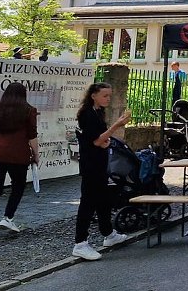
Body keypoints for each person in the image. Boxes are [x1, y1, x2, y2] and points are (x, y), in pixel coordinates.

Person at [72, 83, 131, 260]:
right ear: (93, 95)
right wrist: (116, 125)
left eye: (109, 96)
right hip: (91, 164)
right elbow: (96, 140)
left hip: (100, 161)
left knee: (104, 200)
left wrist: (106, 139)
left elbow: (101, 139)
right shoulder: (87, 114)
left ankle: (108, 233)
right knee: (88, 203)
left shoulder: (98, 112)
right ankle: (80, 243)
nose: (108, 99)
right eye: (105, 95)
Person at [0, 83, 40, 238]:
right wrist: (36, 154)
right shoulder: (29, 110)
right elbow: (32, 135)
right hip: (17, 154)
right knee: (18, 186)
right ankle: (8, 217)